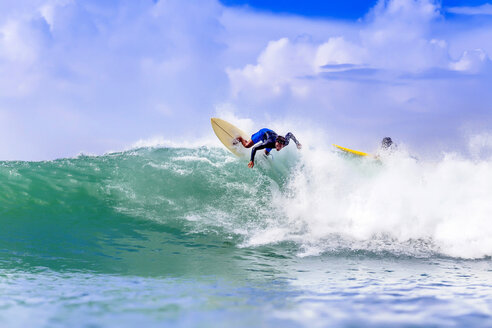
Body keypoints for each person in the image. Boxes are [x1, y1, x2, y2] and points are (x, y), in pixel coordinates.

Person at [236, 128, 302, 168]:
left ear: (283, 145)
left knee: (266, 154)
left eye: (280, 146)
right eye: (277, 146)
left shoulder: (285, 142)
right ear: (276, 142)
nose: (278, 148)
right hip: (263, 133)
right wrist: (251, 160)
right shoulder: (268, 143)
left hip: (272, 135)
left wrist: (297, 143)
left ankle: (265, 155)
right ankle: (240, 138)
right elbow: (254, 148)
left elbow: (289, 134)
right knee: (247, 146)